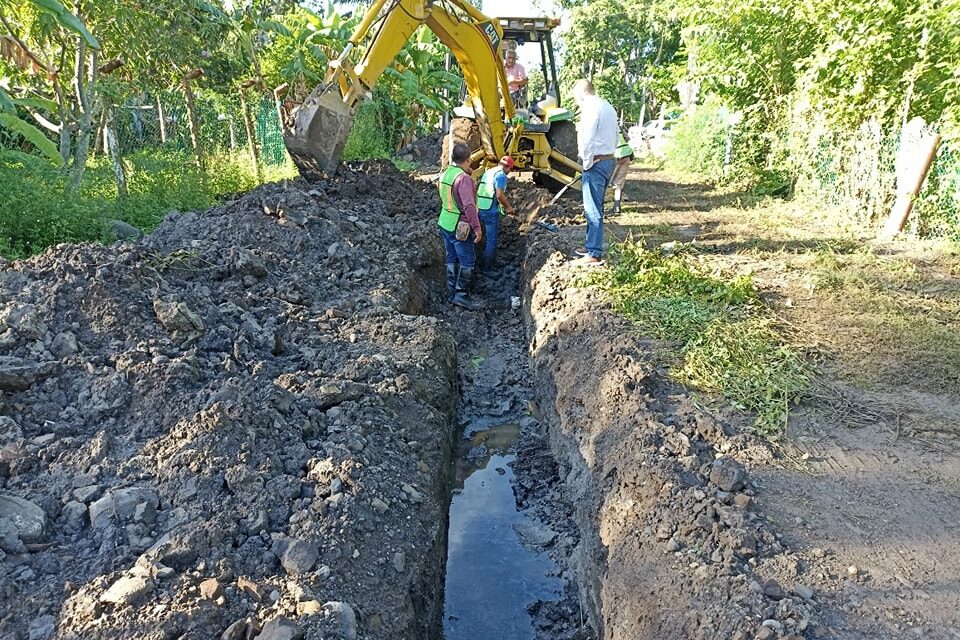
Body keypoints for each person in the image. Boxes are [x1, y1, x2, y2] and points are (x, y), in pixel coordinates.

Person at [571, 79, 618, 265]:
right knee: (595, 206)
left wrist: (587, 162)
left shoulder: (590, 108)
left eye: (576, 98)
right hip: (608, 160)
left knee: (592, 209)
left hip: (596, 163)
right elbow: (614, 135)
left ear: (581, 94)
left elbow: (587, 139)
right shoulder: (607, 106)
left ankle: (594, 253)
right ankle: (591, 244)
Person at [437, 143, 483, 310]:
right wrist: (477, 228)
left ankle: (452, 292)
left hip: (445, 222)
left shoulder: (446, 173)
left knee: (451, 257)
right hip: (460, 226)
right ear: (469, 159)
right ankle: (461, 296)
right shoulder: (463, 179)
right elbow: (469, 206)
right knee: (467, 260)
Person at [476, 155, 517, 270]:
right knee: (491, 239)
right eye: (510, 169)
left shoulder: (489, 172)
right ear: (508, 167)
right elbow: (499, 195)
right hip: (490, 211)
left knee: (480, 236)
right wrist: (508, 207)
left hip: (480, 208)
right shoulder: (501, 175)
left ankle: (477, 260)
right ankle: (487, 267)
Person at [609, 133, 635, 216]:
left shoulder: (605, 127)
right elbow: (627, 138)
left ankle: (599, 207)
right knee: (619, 183)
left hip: (615, 155)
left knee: (606, 182)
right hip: (626, 154)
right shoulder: (618, 128)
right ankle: (617, 207)